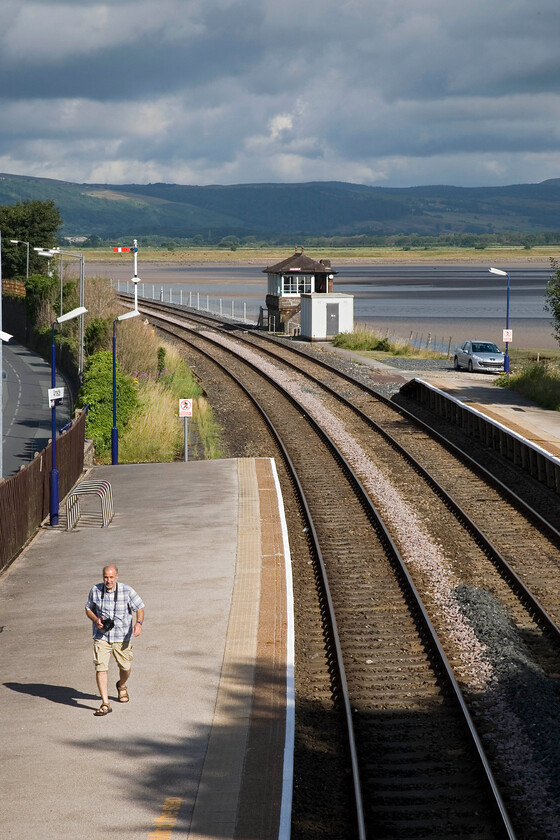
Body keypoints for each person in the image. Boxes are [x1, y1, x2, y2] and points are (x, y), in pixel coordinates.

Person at [85, 564, 145, 716]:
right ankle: (105, 703)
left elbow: (140, 608)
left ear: (116, 577)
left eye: (111, 577)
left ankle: (121, 685)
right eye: (106, 577)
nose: (108, 580)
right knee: (101, 667)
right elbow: (88, 608)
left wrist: (139, 624)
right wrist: (95, 619)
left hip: (122, 637)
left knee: (125, 667)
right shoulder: (95, 590)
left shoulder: (127, 591)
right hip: (102, 636)